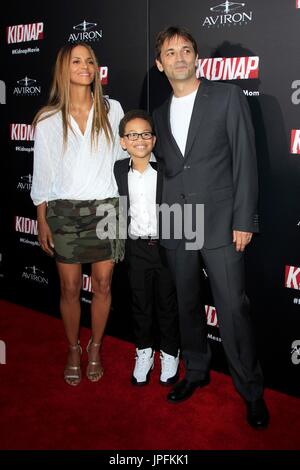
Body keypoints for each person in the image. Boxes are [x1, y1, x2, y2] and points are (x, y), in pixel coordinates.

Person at [153, 26, 269, 429]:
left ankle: (251, 391)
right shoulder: (157, 114)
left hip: (222, 223)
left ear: (196, 57)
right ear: (160, 62)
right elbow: (168, 172)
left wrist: (244, 219)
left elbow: (245, 160)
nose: (179, 57)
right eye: (171, 52)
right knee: (186, 304)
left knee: (233, 310)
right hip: (177, 224)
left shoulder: (226, 97)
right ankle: (196, 371)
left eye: (186, 50)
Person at [31, 42, 125, 386]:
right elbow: (41, 174)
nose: (85, 66)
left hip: (107, 209)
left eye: (90, 61)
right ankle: (73, 348)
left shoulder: (112, 110)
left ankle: (95, 346)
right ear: (63, 69)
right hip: (64, 211)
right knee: (70, 289)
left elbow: (124, 156)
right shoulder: (48, 119)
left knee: (103, 285)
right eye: (76, 61)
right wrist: (42, 217)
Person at [114, 109, 180, 386]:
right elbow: (115, 208)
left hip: (165, 248)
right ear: (123, 141)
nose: (139, 139)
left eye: (145, 134)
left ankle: (169, 353)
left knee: (167, 305)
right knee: (140, 304)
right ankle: (143, 353)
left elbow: (185, 207)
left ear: (154, 139)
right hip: (136, 249)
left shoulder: (167, 169)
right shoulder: (118, 169)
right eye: (132, 135)